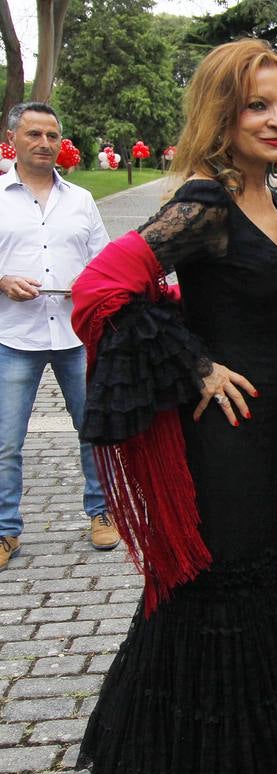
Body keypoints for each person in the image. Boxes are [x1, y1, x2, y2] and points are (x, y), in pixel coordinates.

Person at [70, 39, 277, 774]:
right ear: (223, 113)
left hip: (267, 437)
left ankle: (195, 763)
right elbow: (99, 288)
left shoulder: (273, 196)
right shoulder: (206, 201)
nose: (276, 119)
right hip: (218, 440)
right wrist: (192, 365)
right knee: (216, 587)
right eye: (257, 105)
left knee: (237, 583)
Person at [0, 101, 120, 570]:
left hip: (76, 334)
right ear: (13, 139)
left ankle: (103, 512)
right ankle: (6, 530)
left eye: (51, 135)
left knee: (93, 430)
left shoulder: (81, 200)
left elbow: (105, 259)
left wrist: (94, 283)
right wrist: (3, 280)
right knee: (7, 441)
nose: (44, 143)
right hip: (14, 335)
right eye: (34, 134)